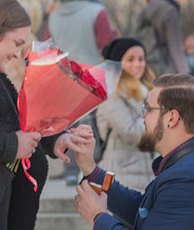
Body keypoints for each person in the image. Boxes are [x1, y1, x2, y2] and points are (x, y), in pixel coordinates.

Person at [0, 1, 92, 229]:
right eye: (16, 43)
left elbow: (19, 122)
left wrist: (55, 140)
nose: (16, 53)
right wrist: (11, 145)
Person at [74, 74, 194, 230]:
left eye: (149, 109)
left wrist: (98, 217)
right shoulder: (181, 167)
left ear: (171, 118)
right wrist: (90, 168)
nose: (142, 116)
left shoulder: (184, 177)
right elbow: (141, 209)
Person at [44, 0, 119, 185]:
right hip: (91, 77)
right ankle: (92, 172)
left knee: (69, 125)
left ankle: (70, 170)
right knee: (91, 127)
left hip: (61, 77)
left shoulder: (53, 16)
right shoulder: (97, 12)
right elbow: (107, 45)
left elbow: (47, 47)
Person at [96, 38, 155, 191]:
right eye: (130, 59)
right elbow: (131, 132)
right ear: (118, 63)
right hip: (120, 174)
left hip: (146, 172)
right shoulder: (111, 94)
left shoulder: (146, 90)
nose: (137, 64)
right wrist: (153, 110)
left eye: (141, 59)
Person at [137, 0, 189, 75]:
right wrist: (185, 73)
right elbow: (175, 46)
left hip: (149, 67)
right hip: (168, 67)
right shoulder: (170, 11)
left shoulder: (143, 13)